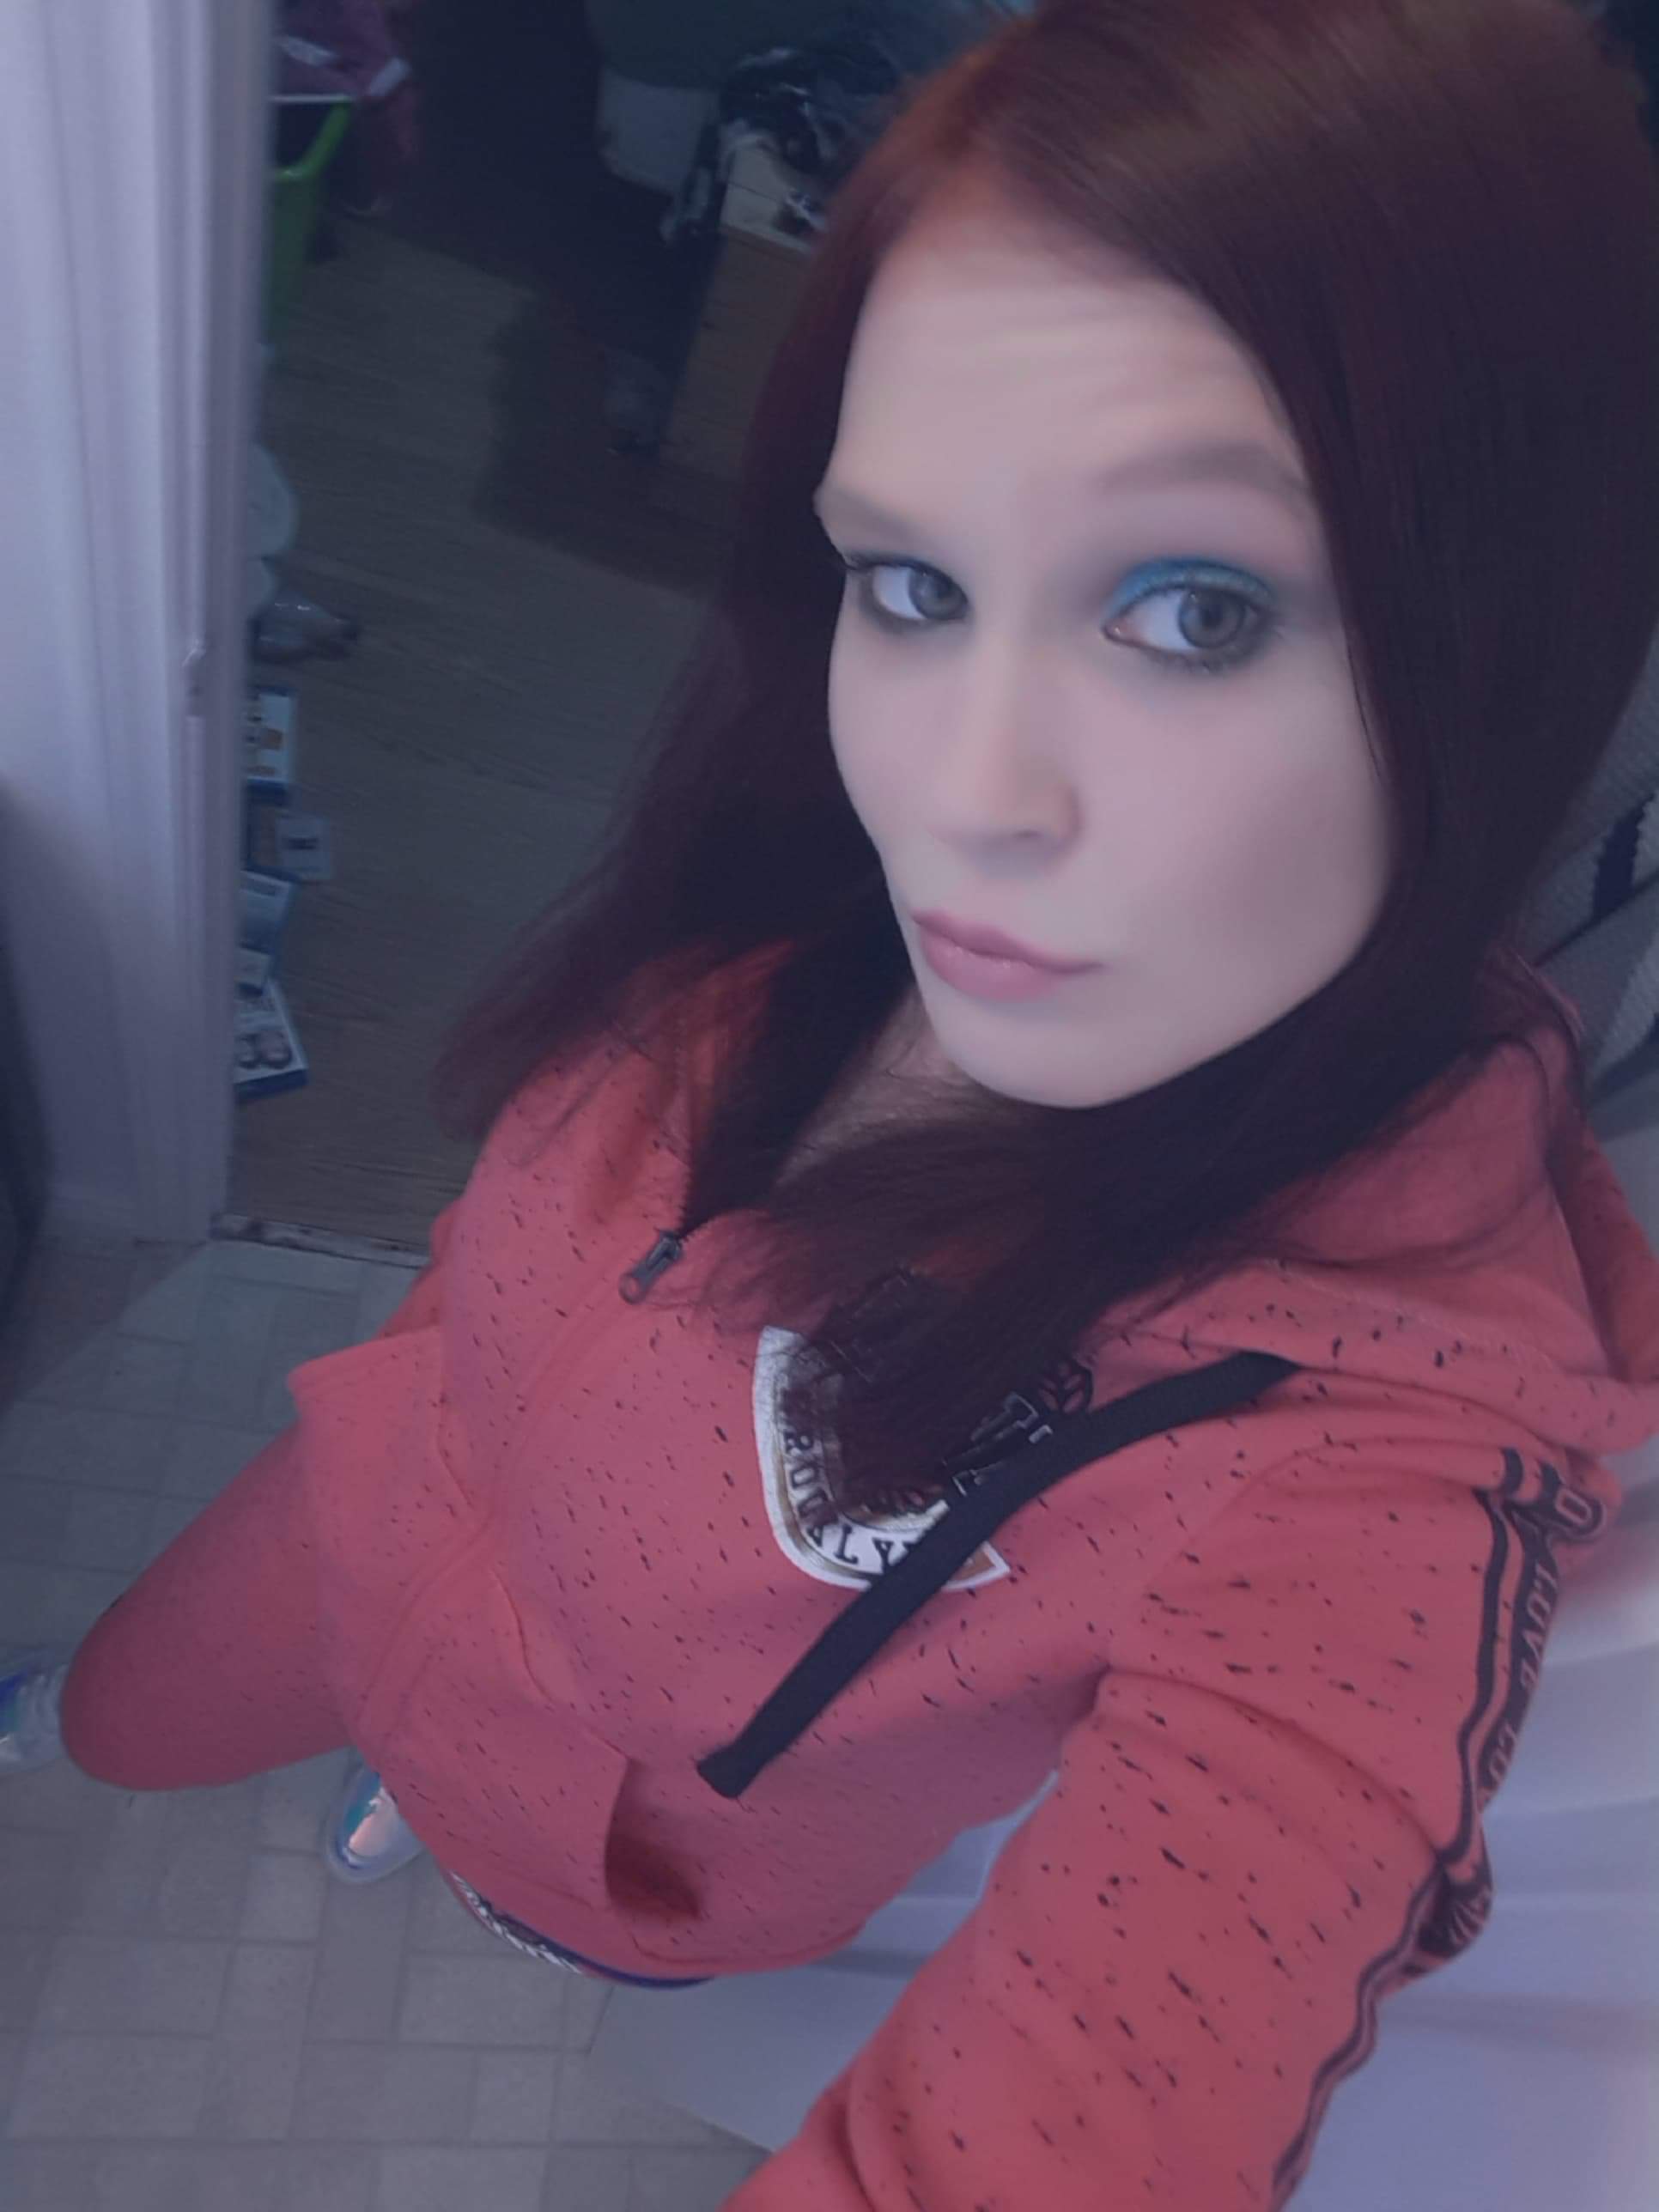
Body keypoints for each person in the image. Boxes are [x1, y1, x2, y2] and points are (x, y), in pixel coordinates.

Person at [9, 0, 1659, 2201]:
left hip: (615, 1845)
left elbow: (1106, 2078)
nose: (958, 791)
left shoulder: (1366, 1464)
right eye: (914, 581)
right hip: (352, 1526)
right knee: (116, 1716)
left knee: (473, 1836)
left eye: (1192, 608)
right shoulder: (781, 918)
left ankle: (447, 1800)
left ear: (1509, 637)